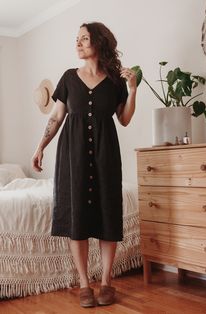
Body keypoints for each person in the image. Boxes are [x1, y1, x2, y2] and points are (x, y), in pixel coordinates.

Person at [32, 21, 137, 308]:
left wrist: (133, 88)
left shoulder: (115, 81)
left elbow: (124, 119)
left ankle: (106, 282)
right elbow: (55, 118)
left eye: (84, 39)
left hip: (106, 157)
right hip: (73, 156)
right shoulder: (68, 78)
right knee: (76, 216)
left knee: (107, 214)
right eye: (76, 39)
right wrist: (40, 146)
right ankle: (83, 284)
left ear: (98, 43)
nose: (77, 44)